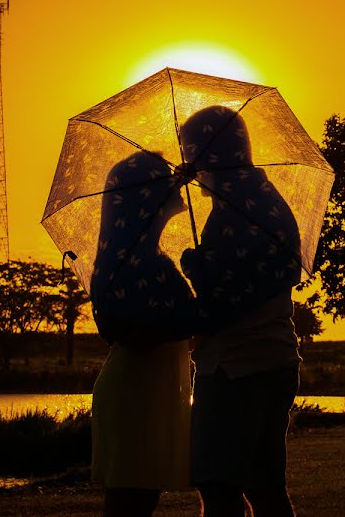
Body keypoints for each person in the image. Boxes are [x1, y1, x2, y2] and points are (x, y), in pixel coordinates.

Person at [180, 105, 302, 517]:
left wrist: (194, 266)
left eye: (190, 152)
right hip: (273, 359)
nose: (186, 164)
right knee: (265, 485)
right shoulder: (263, 199)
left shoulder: (233, 210)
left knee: (219, 489)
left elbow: (226, 300)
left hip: (236, 367)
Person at [89, 151, 197, 517]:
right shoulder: (133, 260)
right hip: (136, 395)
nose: (176, 183)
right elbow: (141, 331)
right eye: (165, 178)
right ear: (147, 197)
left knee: (139, 499)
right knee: (129, 503)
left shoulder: (138, 255)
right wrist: (200, 300)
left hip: (146, 393)